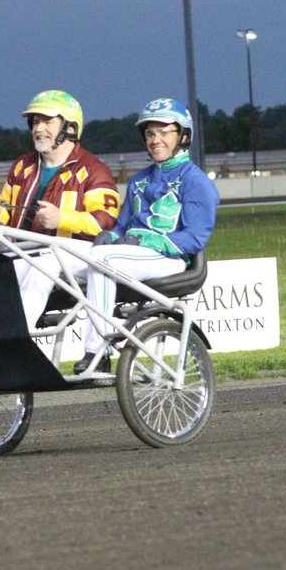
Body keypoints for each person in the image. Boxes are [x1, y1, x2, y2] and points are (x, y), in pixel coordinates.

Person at [75, 98, 220, 374]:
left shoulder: (196, 181)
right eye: (150, 133)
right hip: (131, 256)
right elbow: (122, 226)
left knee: (101, 259)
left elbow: (194, 239)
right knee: (62, 255)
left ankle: (99, 351)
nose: (155, 139)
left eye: (164, 132)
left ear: (183, 136)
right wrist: (111, 234)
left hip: (170, 259)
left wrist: (147, 241)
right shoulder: (138, 180)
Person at [0, 90, 120, 330]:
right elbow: (6, 207)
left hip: (75, 257)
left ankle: (14, 338)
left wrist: (62, 219)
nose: (38, 128)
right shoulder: (22, 166)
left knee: (41, 263)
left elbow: (105, 222)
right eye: (35, 121)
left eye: (47, 121)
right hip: (25, 251)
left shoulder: (95, 170)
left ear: (71, 128)